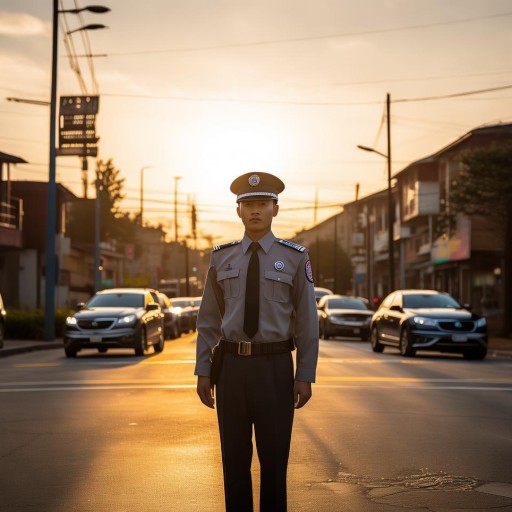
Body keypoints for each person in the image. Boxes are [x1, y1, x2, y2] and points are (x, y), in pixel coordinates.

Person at [195, 171, 319, 512]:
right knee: (234, 462)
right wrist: (203, 370)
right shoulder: (222, 257)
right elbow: (208, 320)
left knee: (274, 462)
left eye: (262, 203)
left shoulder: (295, 257)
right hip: (231, 369)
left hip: (275, 368)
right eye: (248, 204)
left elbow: (308, 320)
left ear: (275, 209)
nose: (255, 211)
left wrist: (304, 374)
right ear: (238, 210)